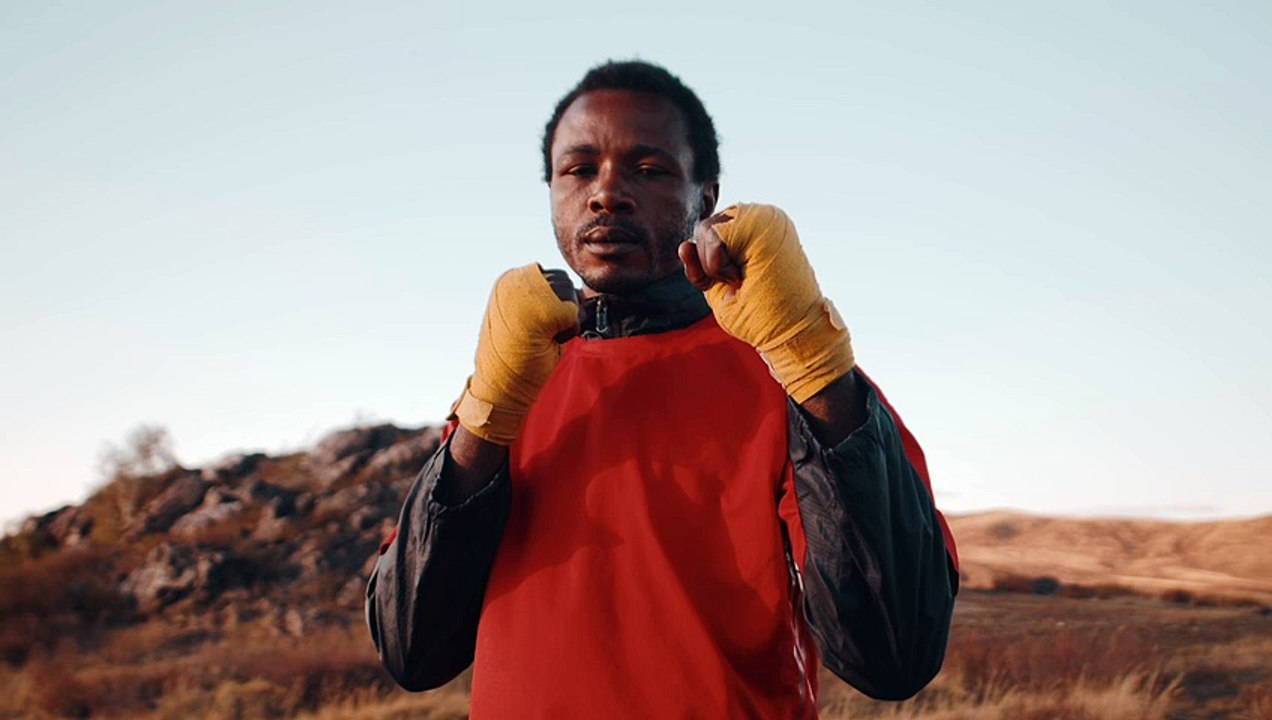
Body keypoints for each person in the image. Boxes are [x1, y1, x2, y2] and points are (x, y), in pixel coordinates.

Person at [366, 60, 959, 718]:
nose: (606, 193)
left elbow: (895, 656)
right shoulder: (508, 379)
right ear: (552, 192)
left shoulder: (795, 375)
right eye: (578, 169)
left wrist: (813, 362)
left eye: (649, 169)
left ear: (705, 199)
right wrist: (486, 415)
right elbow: (412, 651)